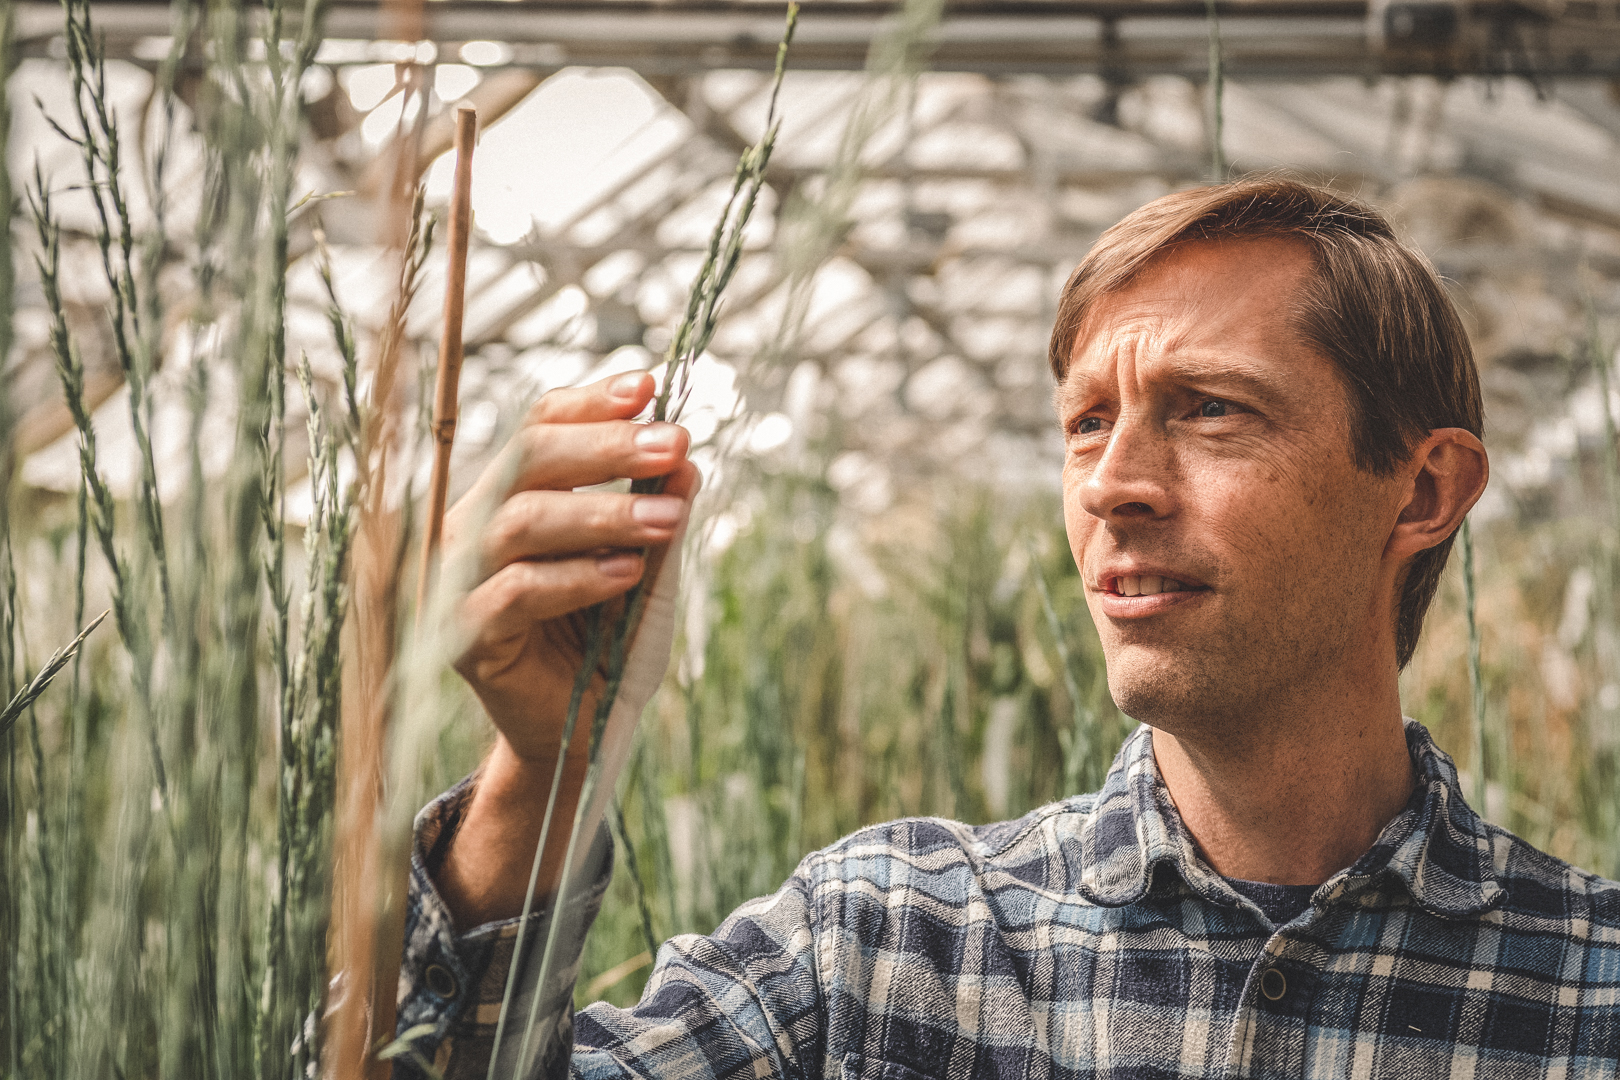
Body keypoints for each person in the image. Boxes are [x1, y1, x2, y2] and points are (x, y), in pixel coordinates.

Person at [394, 177, 1620, 1080]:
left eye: (1209, 410)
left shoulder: (1584, 991)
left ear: (1422, 490)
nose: (1113, 484)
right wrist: (544, 777)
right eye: (1088, 423)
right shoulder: (884, 945)